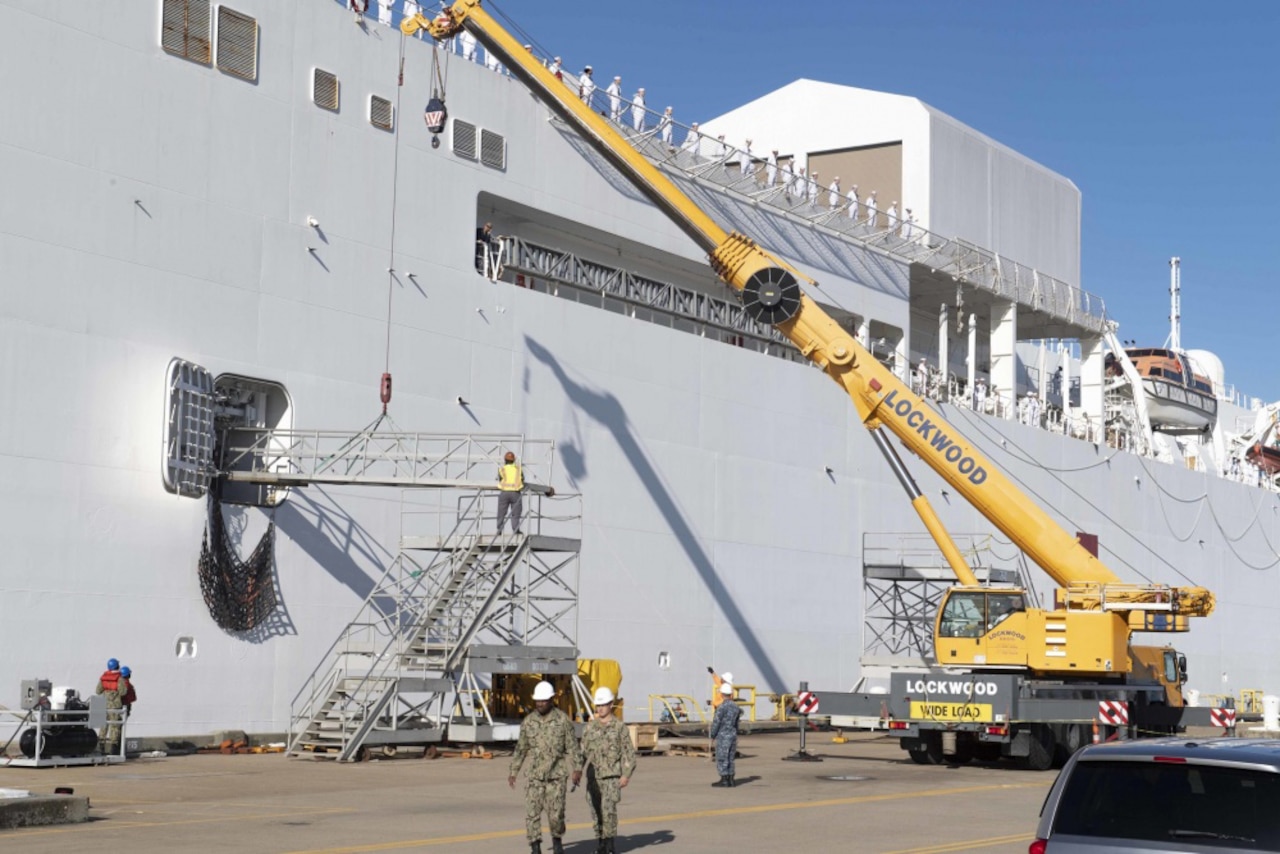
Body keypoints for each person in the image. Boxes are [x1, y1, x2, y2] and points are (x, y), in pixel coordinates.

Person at [509, 681, 582, 854]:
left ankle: (557, 841)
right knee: (532, 814)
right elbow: (521, 748)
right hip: (534, 776)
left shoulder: (562, 720)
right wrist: (513, 771)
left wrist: (577, 768)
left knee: (556, 816)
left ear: (551, 700)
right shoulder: (528, 722)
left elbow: (573, 746)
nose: (540, 704)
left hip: (556, 777)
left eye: (543, 700)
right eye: (537, 701)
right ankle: (535, 848)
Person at [578, 687, 636, 854]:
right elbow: (583, 752)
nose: (600, 708)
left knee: (608, 811)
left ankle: (609, 846)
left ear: (611, 704)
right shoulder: (590, 728)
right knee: (596, 812)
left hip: (611, 778)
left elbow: (629, 755)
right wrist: (578, 771)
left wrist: (626, 775)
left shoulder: (619, 728)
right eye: (598, 705)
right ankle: (601, 842)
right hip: (593, 778)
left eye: (603, 704)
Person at [709, 682, 742, 787]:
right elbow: (737, 723)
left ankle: (724, 779)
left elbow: (716, 722)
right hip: (732, 734)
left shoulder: (721, 707)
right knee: (730, 757)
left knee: (722, 757)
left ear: (722, 694)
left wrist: (712, 735)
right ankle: (731, 779)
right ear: (731, 694)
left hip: (723, 735)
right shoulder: (736, 707)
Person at [96, 657, 125, 755]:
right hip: (115, 706)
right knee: (115, 727)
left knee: (103, 726)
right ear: (117, 666)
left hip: (103, 705)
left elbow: (98, 691)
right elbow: (123, 691)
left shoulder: (103, 677)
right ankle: (114, 749)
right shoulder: (119, 678)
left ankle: (101, 747)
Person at [497, 450, 524, 534]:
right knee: (516, 514)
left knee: (501, 513)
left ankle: (499, 530)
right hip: (515, 493)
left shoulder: (502, 469)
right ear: (513, 460)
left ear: (505, 460)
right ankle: (516, 530)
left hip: (504, 493)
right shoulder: (518, 469)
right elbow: (522, 479)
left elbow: (500, 479)